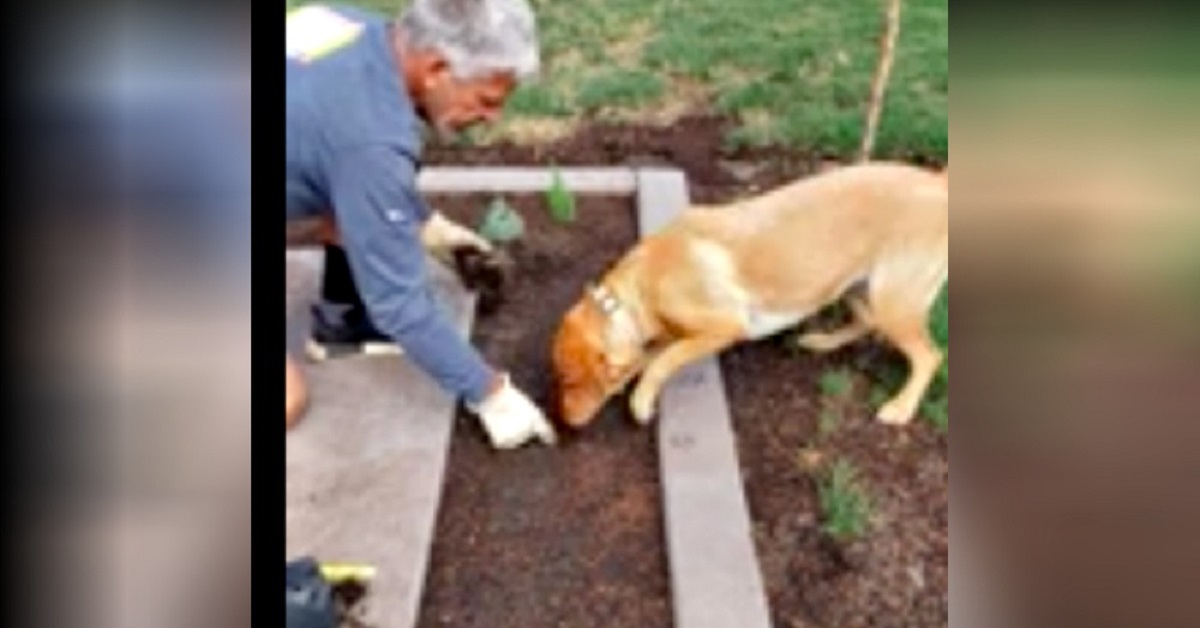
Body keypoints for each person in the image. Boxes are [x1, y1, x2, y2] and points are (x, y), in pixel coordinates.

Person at [285, 0, 555, 449]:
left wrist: (426, 226)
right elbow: (400, 305)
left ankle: (343, 324)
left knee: (351, 191)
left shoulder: (351, 24)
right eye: (486, 101)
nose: (492, 119)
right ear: (436, 69)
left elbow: (344, 157)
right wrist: (492, 395)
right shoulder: (371, 143)